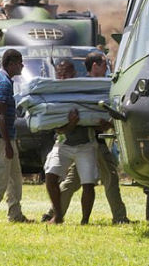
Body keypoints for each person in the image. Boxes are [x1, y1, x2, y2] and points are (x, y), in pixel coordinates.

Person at [59, 52, 130, 224]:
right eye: (104, 65)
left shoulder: (99, 87)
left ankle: (54, 212)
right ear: (95, 66)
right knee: (110, 178)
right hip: (90, 141)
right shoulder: (86, 88)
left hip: (92, 141)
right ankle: (120, 218)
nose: (106, 69)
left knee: (72, 182)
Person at [0, 49, 32, 223]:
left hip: (6, 136)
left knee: (15, 178)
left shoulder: (6, 81)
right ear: (10, 64)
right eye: (19, 62)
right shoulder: (3, 83)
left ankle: (15, 214)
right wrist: (7, 144)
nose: (22, 66)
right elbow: (0, 115)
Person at [43, 58, 98, 225]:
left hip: (86, 144)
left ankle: (85, 220)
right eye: (59, 74)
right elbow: (58, 128)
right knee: (51, 176)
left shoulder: (82, 89)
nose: (62, 77)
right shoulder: (55, 94)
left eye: (66, 73)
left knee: (88, 183)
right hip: (63, 144)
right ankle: (58, 216)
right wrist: (72, 124)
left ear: (73, 73)